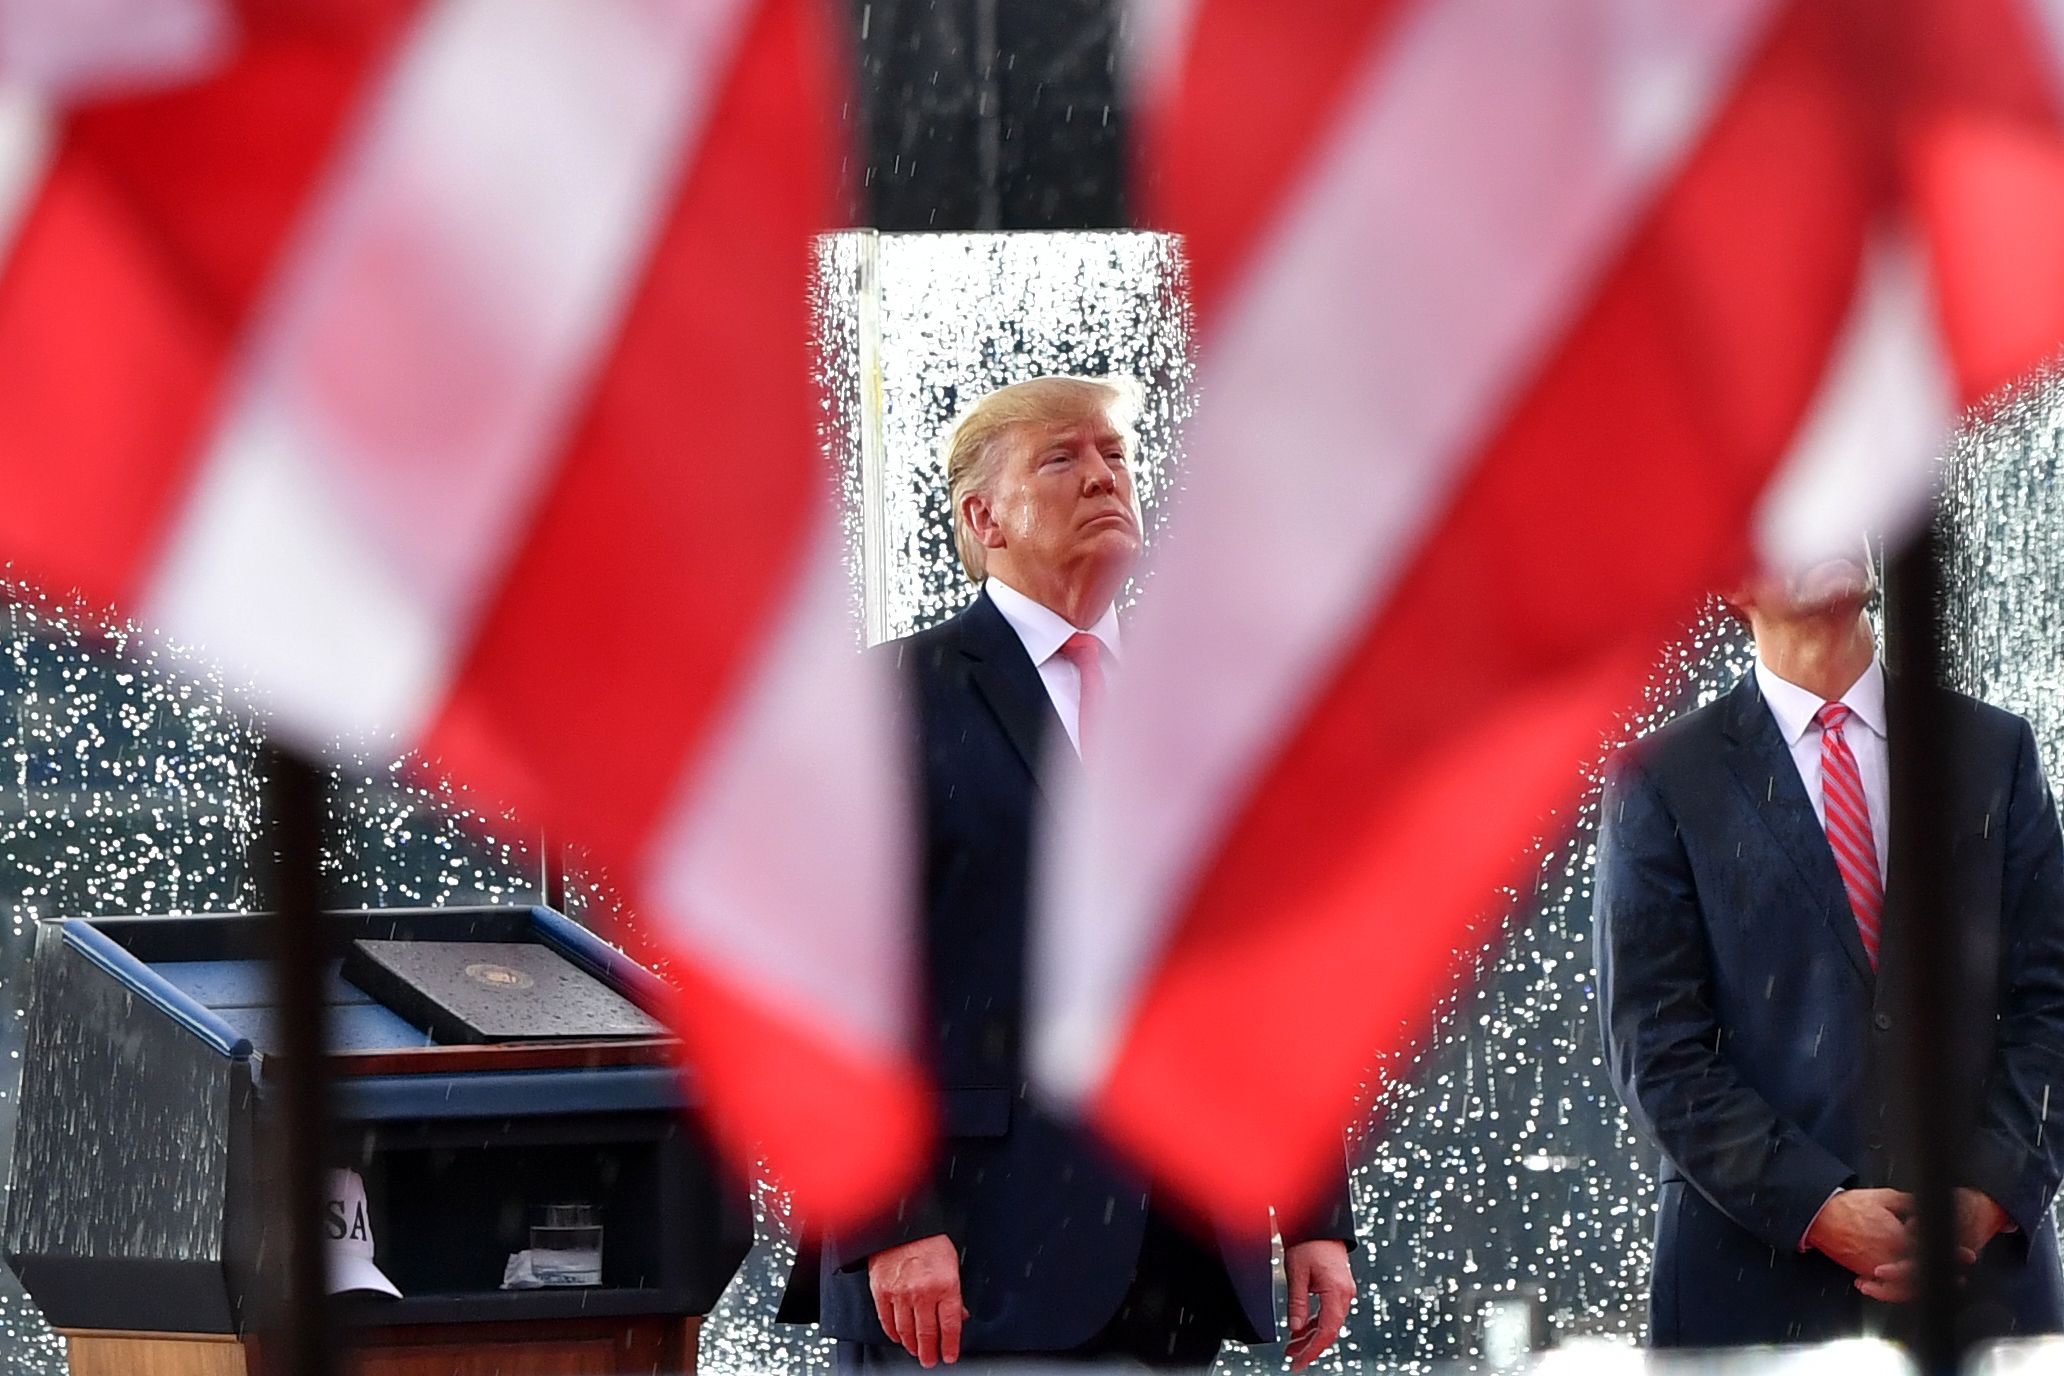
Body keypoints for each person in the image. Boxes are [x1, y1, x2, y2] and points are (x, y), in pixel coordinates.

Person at [781, 375, 1357, 1370]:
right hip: (961, 1267)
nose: (1102, 476)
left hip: (1178, 1262)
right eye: (1061, 457)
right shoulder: (881, 699)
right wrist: (888, 1218)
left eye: (1115, 455)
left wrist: (1313, 1206)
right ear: (981, 515)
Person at [1593, 547, 2064, 1347]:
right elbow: (1656, 1046)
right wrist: (1815, 1205)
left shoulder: (1991, 749)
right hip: (1750, 1290)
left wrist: (1987, 1193)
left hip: (1983, 1286)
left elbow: (2053, 999)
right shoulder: (1665, 778)